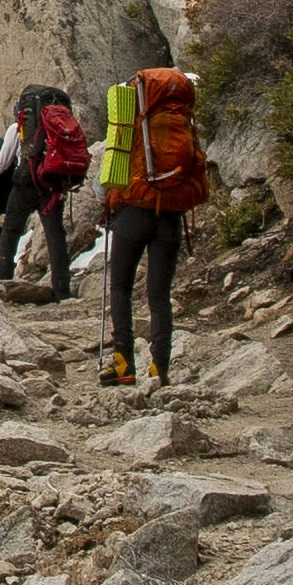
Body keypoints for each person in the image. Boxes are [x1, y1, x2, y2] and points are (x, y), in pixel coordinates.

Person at [96, 61, 212, 389]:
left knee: (121, 287)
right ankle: (159, 369)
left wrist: (105, 194)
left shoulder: (133, 121)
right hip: (171, 218)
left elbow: (107, 172)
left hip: (135, 212)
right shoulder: (182, 119)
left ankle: (123, 364)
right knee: (159, 295)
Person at [0, 85, 85, 301]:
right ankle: (62, 289)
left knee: (11, 231)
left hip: (25, 183)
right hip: (53, 183)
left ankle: (3, 282)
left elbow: (1, 164)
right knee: (55, 235)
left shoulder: (18, 129)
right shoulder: (57, 128)